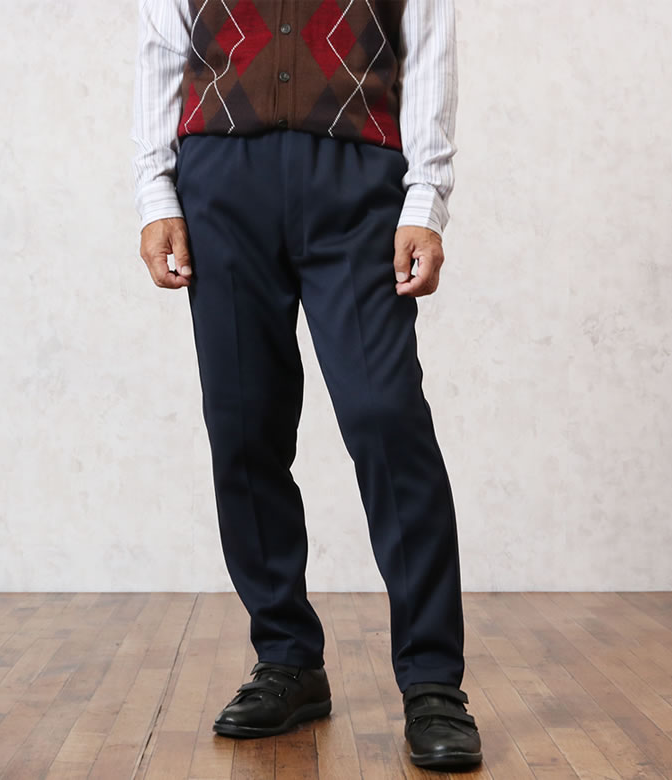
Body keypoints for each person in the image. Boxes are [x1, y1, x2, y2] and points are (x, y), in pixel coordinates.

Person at [130, 0, 481, 770]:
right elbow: (162, 40)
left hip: (357, 184)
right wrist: (155, 193)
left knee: (386, 417)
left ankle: (432, 680)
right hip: (221, 182)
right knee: (243, 424)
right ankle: (286, 657)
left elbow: (428, 44)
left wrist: (426, 199)